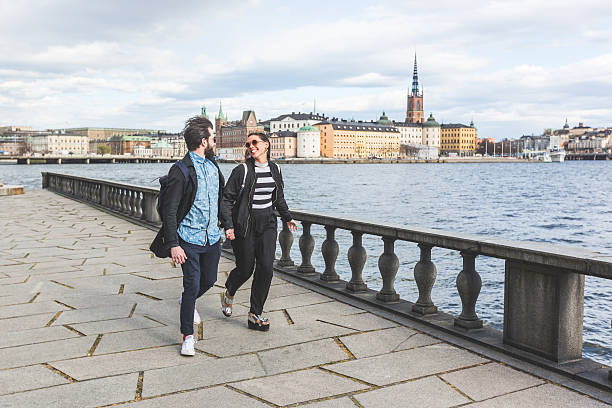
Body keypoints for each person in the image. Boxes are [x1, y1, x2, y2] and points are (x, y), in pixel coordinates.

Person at [150, 116, 225, 356]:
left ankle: (187, 301)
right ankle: (187, 336)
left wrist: (228, 225)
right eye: (212, 137)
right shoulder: (180, 170)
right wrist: (173, 244)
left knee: (209, 280)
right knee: (191, 285)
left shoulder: (214, 167)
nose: (214, 140)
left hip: (212, 238)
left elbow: (220, 200)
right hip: (188, 240)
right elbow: (169, 210)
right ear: (203, 141)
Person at [220, 132, 298, 331]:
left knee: (266, 268)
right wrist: (228, 225)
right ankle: (229, 290)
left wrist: (287, 217)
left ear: (266, 145)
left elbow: (278, 197)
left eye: (255, 142)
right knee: (245, 269)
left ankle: (255, 314)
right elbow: (227, 199)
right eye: (248, 144)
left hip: (268, 224)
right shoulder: (242, 170)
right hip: (245, 225)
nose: (251, 146)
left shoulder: (275, 168)